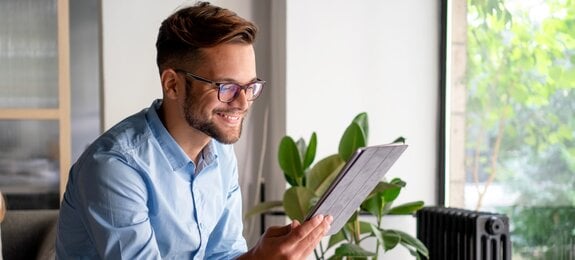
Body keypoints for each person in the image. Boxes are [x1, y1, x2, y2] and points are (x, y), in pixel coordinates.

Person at [55, 1, 332, 259]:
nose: (243, 102)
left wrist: (262, 253)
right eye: (226, 87)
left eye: (250, 87)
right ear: (173, 84)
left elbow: (222, 255)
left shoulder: (221, 153)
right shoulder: (115, 166)